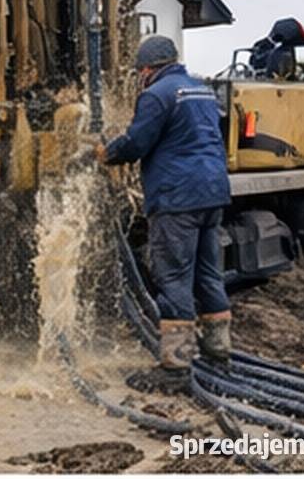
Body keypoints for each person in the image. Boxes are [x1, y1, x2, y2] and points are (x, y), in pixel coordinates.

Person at [95, 35, 232, 385]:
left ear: (146, 69)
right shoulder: (201, 90)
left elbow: (138, 142)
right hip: (213, 192)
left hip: (177, 198)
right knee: (207, 274)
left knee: (173, 277)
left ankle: (176, 365)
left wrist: (107, 153)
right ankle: (218, 353)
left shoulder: (157, 94)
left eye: (139, 71)